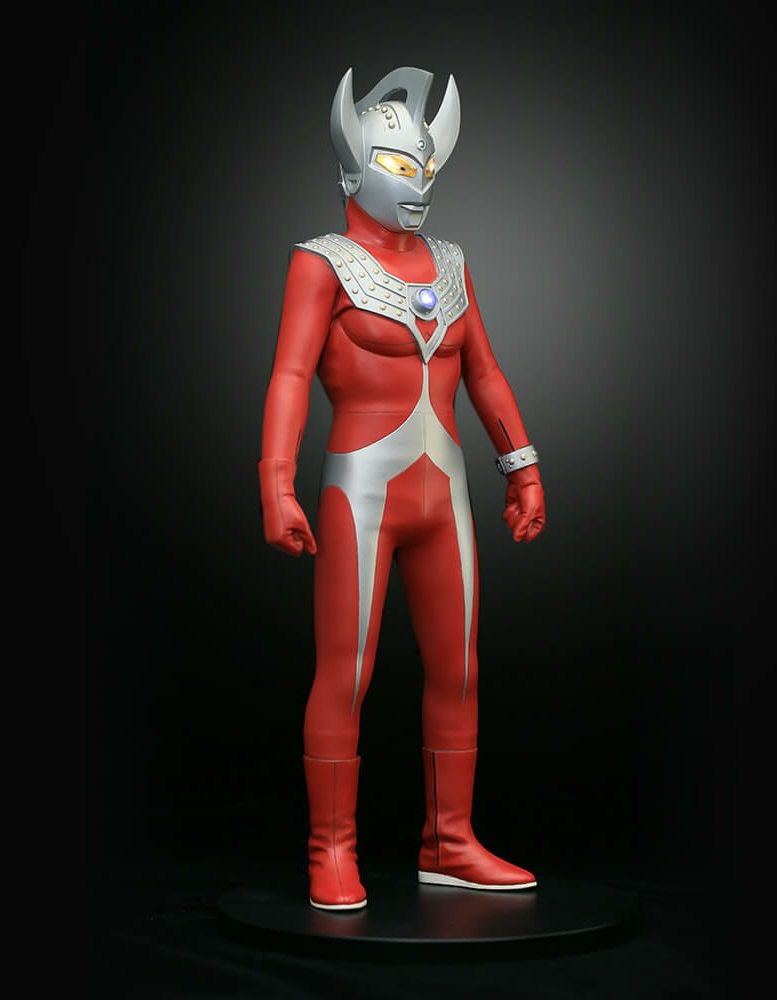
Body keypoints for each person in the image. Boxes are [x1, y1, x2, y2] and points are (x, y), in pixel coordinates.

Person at [258, 67, 546, 910]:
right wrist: (276, 482)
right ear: (353, 166)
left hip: (442, 496)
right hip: (363, 494)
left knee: (459, 671)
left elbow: (483, 370)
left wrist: (523, 465)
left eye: (424, 165)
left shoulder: (450, 262)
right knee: (345, 672)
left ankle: (448, 843)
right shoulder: (321, 263)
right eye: (396, 163)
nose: (414, 182)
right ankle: (331, 849)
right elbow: (289, 375)